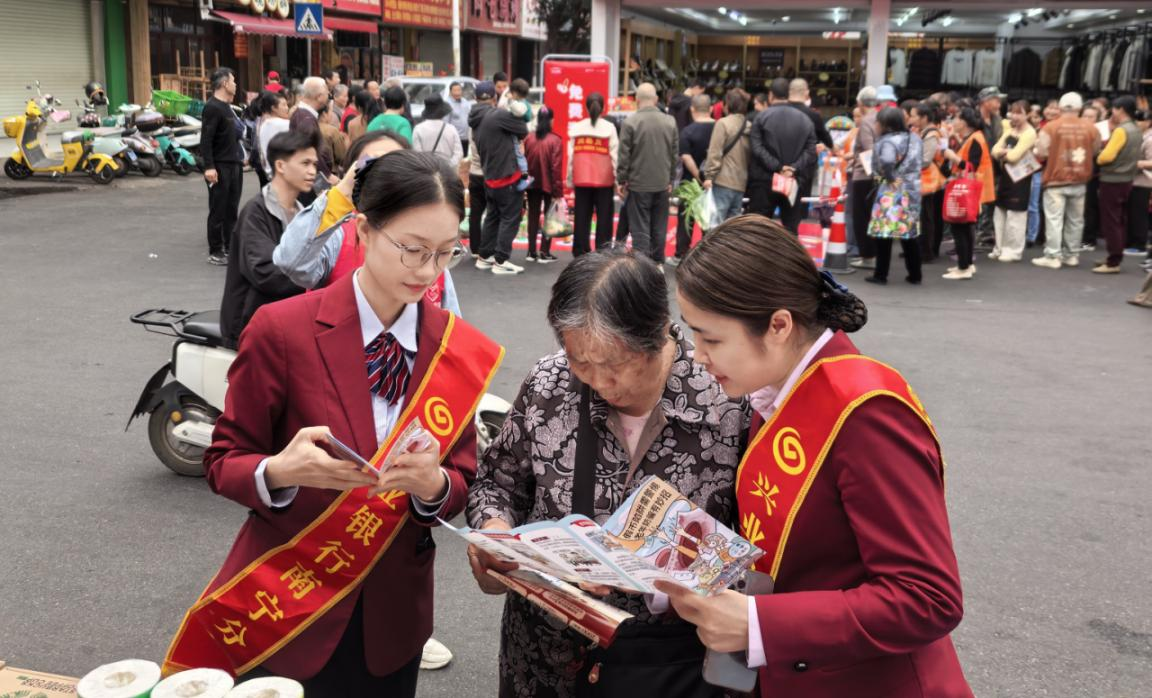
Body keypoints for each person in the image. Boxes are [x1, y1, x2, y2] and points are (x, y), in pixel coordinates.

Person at [172, 149, 495, 696]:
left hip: (394, 618)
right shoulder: (282, 330)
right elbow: (223, 459)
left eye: (446, 254)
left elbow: (461, 476)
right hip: (289, 603)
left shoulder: (452, 345)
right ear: (363, 230)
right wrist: (279, 471)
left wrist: (433, 486)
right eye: (412, 249)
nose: (427, 272)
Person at [667, 215, 971, 698]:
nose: (699, 356)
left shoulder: (867, 411)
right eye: (693, 335)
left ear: (779, 325)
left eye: (712, 339)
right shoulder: (773, 388)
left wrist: (759, 624)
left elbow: (927, 598)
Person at [466, 249, 749, 698]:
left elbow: (759, 543)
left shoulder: (727, 402)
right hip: (543, 654)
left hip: (668, 663)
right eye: (580, 360)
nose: (598, 381)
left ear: (659, 333)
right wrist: (495, 532)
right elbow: (498, 482)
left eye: (615, 363)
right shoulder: (550, 384)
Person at [274, 129, 460, 315]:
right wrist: (343, 191)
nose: (427, 272)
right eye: (412, 250)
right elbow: (292, 261)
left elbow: (451, 321)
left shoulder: (432, 243)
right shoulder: (337, 233)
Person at [218, 130, 317, 348]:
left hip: (284, 323)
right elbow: (265, 272)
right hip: (250, 327)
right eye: (305, 163)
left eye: (314, 164)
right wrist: (315, 276)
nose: (312, 171)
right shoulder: (256, 212)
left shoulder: (303, 214)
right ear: (280, 166)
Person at [1031, 93, 1101, 269]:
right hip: (1080, 178)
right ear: (1080, 108)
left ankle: (1053, 255)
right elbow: (1095, 150)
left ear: (1061, 107)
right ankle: (1071, 255)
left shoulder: (1051, 127)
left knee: (1054, 219)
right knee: (1076, 220)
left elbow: (1041, 152)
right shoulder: (1091, 128)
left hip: (1056, 178)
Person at [470, 80, 529, 275]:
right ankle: (501, 260)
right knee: (510, 217)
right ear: (494, 97)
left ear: (475, 98)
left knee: (493, 216)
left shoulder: (475, 119)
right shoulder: (497, 115)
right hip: (506, 176)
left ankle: (485, 256)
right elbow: (523, 130)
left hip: (489, 176)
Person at [617, 83, 679, 263]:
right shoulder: (670, 121)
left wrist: (622, 180)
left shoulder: (630, 122)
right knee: (659, 226)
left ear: (637, 100)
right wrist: (670, 179)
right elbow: (674, 155)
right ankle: (658, 262)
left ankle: (642, 264)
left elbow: (624, 155)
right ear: (656, 99)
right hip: (662, 183)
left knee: (640, 228)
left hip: (638, 183)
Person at [747, 78, 817, 234]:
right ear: (789, 94)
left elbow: (757, 148)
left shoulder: (761, 117)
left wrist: (778, 167)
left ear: (770, 95)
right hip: (793, 181)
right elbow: (811, 150)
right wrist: (792, 168)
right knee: (790, 230)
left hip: (764, 181)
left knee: (758, 230)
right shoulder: (805, 119)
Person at [866, 106, 923, 285]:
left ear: (886, 124)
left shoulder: (888, 141)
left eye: (878, 122)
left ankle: (880, 274)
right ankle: (915, 274)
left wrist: (890, 177)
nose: (875, 125)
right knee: (909, 234)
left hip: (892, 191)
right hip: (912, 190)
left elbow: (887, 160)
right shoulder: (914, 138)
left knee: (884, 234)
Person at [940, 108, 994, 280]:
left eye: (956, 119)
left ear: (964, 122)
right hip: (969, 190)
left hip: (967, 191)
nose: (953, 122)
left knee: (960, 229)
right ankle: (966, 265)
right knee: (965, 229)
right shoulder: (973, 137)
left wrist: (952, 157)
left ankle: (963, 268)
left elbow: (972, 167)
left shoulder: (975, 138)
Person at [1093, 95, 1143, 273]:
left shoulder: (1121, 130)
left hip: (1112, 179)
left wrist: (1099, 155)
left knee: (1111, 221)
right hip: (1127, 178)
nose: (1112, 112)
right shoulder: (1136, 129)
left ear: (1120, 110)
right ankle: (1114, 256)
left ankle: (1113, 261)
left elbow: (1107, 157)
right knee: (1119, 219)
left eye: (1114, 109)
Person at [567, 91, 619, 256]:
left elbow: (571, 158)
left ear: (586, 108)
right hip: (604, 181)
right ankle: (603, 252)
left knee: (581, 216)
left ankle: (580, 250)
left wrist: (570, 179)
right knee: (604, 218)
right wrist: (618, 181)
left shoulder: (576, 128)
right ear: (603, 108)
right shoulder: (609, 128)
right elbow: (615, 157)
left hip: (581, 180)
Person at [201, 67, 244, 266]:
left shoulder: (228, 107)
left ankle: (230, 247)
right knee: (218, 209)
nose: (235, 84)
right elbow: (206, 139)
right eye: (233, 81)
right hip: (219, 166)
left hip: (234, 164)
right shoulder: (212, 107)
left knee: (231, 209)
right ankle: (216, 251)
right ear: (225, 84)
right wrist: (209, 166)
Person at [988, 100, 1037, 263]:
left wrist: (1003, 153)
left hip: (1021, 178)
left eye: (1019, 113)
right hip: (1006, 176)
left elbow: (1015, 156)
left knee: (1016, 215)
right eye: (1013, 112)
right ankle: (999, 247)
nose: (1014, 116)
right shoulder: (1010, 130)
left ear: (1028, 115)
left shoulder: (1030, 133)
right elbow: (994, 150)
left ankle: (1013, 251)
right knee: (1000, 212)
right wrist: (1003, 153)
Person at [670, 94, 715, 266]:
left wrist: (699, 177)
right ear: (711, 109)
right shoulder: (719, 128)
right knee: (709, 221)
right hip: (714, 183)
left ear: (692, 109)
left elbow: (686, 157)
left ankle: (681, 254)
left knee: (686, 220)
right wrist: (708, 178)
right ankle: (708, 256)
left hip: (689, 183)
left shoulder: (687, 131)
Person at [702, 88, 751, 223]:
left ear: (727, 105)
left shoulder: (723, 123)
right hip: (741, 182)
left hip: (722, 180)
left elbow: (715, 152)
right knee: (733, 226)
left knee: (715, 224)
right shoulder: (749, 125)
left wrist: (709, 176)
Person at [523, 106, 563, 264]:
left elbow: (524, 161)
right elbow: (556, 168)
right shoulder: (555, 140)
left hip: (532, 183)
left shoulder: (529, 138)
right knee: (549, 217)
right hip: (549, 184)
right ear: (551, 120)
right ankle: (544, 251)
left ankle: (531, 251)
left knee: (532, 216)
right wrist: (558, 191)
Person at [848, 86, 880, 269]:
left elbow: (869, 151)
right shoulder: (880, 118)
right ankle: (872, 255)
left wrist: (872, 175)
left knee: (861, 217)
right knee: (872, 216)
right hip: (875, 176)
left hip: (864, 176)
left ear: (860, 103)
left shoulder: (867, 122)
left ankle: (868, 256)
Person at [910, 100, 946, 263]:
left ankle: (926, 251)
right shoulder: (926, 132)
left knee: (926, 218)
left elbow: (925, 160)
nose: (911, 119)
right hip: (924, 180)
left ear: (924, 117)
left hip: (927, 181)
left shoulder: (931, 135)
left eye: (914, 116)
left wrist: (908, 162)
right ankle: (923, 249)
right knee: (924, 217)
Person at [290, 77, 337, 183]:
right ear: (319, 97)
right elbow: (309, 151)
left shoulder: (303, 114)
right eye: (327, 93)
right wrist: (327, 175)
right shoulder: (306, 119)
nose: (329, 95)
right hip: (312, 179)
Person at [412, 93, 464, 169]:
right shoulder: (451, 129)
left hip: (427, 172)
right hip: (448, 172)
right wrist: (448, 167)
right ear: (442, 111)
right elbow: (459, 153)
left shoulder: (418, 129)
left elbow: (417, 155)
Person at [1130, 110, 1152, 270]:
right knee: (1135, 213)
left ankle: (1139, 245)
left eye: (1140, 120)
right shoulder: (1141, 136)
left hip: (1145, 181)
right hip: (1137, 180)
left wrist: (1134, 163)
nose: (1137, 123)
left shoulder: (1150, 139)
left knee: (1140, 215)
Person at [256, 91, 291, 184]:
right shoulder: (280, 124)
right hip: (282, 173)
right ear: (274, 108)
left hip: (271, 172)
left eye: (287, 105)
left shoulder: (265, 123)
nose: (287, 108)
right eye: (283, 105)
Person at [446, 81, 473, 156]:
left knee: (465, 158)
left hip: (466, 138)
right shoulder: (447, 104)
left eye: (459, 90)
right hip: (454, 139)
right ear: (450, 92)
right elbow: (445, 123)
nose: (457, 93)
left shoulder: (465, 102)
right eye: (455, 90)